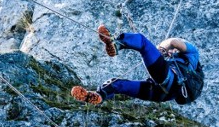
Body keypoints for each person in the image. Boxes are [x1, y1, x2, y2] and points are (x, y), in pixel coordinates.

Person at [71, 24, 201, 105]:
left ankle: (117, 44)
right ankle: (98, 96)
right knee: (117, 84)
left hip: (170, 80)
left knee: (142, 42)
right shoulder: (185, 66)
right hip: (162, 95)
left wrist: (162, 49)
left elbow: (174, 42)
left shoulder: (193, 55)